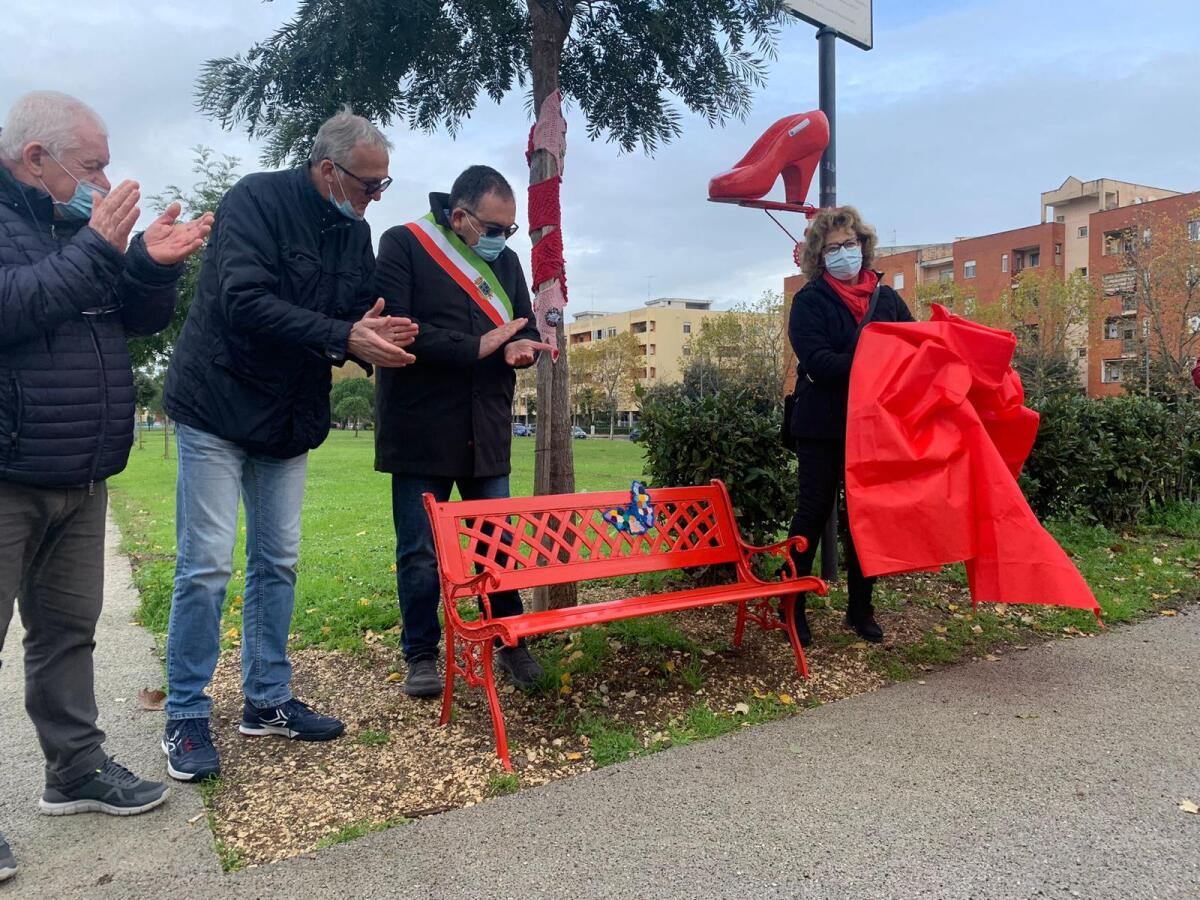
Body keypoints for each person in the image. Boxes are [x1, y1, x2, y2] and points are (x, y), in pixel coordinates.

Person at [159, 107, 417, 782]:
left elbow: (354, 316)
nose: (376, 198)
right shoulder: (255, 201)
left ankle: (266, 700)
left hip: (289, 416)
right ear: (329, 170)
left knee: (278, 561)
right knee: (207, 564)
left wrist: (376, 332)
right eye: (370, 184)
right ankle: (185, 712)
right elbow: (243, 300)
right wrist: (341, 336)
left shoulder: (355, 235)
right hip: (216, 404)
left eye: (384, 186)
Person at [0, 91, 212, 873]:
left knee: (67, 633)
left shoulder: (75, 227)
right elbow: (14, 305)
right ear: (35, 159)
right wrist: (99, 244)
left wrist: (150, 267)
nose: (106, 177)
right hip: (7, 468)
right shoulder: (57, 230)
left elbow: (133, 319)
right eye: (92, 164)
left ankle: (75, 769)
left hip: (81, 470)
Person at [374, 165, 552, 698]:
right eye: (494, 228)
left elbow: (525, 325)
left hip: (487, 426)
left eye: (509, 230)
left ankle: (510, 640)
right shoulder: (404, 245)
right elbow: (396, 332)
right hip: (421, 427)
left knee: (497, 547)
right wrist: (476, 346)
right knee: (420, 552)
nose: (502, 240)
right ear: (459, 216)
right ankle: (422, 653)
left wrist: (520, 351)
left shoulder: (509, 262)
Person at [786, 206, 915, 646]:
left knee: (866, 519)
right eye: (835, 247)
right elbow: (819, 363)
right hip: (821, 427)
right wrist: (877, 363)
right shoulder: (810, 301)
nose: (846, 253)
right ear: (819, 256)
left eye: (851, 243)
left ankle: (861, 610)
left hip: (873, 427)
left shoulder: (888, 299)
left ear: (864, 245)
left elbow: (915, 350)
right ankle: (792, 607)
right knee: (811, 514)